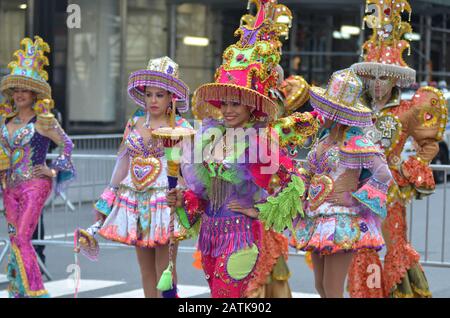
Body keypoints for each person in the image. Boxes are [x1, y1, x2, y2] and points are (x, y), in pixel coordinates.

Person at [167, 0, 318, 298]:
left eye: (236, 103)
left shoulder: (259, 142)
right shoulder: (211, 138)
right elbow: (202, 191)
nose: (228, 109)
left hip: (240, 235)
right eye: (225, 103)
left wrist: (258, 210)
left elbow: (295, 185)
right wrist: (181, 198)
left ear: (251, 107)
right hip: (209, 235)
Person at [348, 0, 448, 298]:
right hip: (355, 190)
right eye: (372, 76)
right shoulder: (354, 109)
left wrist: (414, 165)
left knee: (394, 246)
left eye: (384, 76)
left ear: (395, 77)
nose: (377, 83)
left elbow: (430, 144)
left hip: (390, 192)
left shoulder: (407, 110)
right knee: (361, 248)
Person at [93, 56, 192, 298]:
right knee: (145, 269)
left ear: (171, 97)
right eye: (149, 94)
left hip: (164, 201)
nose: (153, 100)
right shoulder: (135, 121)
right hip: (134, 199)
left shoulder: (180, 125)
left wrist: (185, 194)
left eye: (160, 95)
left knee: (165, 267)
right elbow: (123, 161)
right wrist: (107, 197)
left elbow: (188, 167)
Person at [293, 68, 393, 298]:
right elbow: (308, 169)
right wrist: (297, 182)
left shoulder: (357, 141)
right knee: (320, 285)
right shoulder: (324, 139)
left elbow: (383, 174)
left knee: (332, 287)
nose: (320, 113)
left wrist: (355, 197)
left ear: (338, 112)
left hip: (341, 220)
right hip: (317, 215)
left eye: (327, 108)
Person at [0, 36, 75, 298]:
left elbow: (67, 144)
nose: (19, 94)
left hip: (34, 184)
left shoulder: (43, 121)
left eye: (25, 90)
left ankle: (36, 293)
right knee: (13, 239)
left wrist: (53, 171)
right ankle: (17, 292)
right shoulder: (5, 120)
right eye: (16, 90)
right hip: (9, 188)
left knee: (22, 238)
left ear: (34, 94)